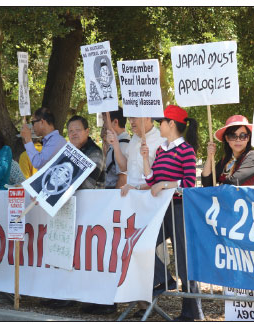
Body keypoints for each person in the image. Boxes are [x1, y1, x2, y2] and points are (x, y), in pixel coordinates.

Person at [140, 105, 204, 321]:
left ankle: (191, 313)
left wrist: (165, 184)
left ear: (172, 124)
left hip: (179, 209)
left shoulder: (186, 150)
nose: (159, 125)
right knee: (142, 244)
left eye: (161, 122)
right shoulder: (160, 150)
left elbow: (188, 184)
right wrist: (145, 160)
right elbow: (152, 181)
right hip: (161, 210)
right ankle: (165, 279)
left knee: (184, 262)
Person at [107, 116, 165, 196]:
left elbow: (162, 179)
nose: (131, 121)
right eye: (129, 118)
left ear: (147, 117)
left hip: (151, 200)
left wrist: (137, 187)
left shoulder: (161, 141)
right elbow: (125, 168)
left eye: (134, 118)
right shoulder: (134, 138)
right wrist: (115, 144)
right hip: (132, 199)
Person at [201, 115, 254, 187]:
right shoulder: (226, 159)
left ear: (248, 138)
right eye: (233, 136)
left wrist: (217, 189)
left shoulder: (253, 157)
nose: (238, 140)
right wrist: (209, 157)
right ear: (227, 138)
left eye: (243, 136)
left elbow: (234, 181)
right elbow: (207, 182)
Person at [67, 116, 105, 189]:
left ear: (87, 132)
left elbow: (88, 185)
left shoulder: (94, 152)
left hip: (91, 198)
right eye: (70, 131)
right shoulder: (68, 152)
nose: (74, 133)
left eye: (77, 130)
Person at [103, 108, 130, 189]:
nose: (104, 125)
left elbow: (123, 179)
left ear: (115, 122)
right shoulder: (120, 143)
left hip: (114, 194)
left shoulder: (122, 146)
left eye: (105, 122)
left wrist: (114, 200)